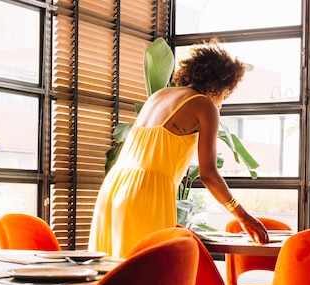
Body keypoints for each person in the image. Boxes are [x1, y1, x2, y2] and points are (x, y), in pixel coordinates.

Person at [88, 39, 269, 258]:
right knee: (151, 279)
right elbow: (208, 174)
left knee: (117, 275)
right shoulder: (205, 106)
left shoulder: (158, 96)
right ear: (220, 84)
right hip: (147, 194)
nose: (223, 101)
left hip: (114, 187)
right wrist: (243, 216)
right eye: (226, 94)